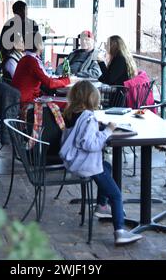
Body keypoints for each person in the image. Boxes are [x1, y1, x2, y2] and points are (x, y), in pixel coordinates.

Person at [60, 80, 142, 245]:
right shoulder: (88, 118)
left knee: (107, 166)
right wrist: (108, 131)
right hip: (86, 164)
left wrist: (97, 128)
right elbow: (90, 144)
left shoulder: (69, 112)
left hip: (74, 161)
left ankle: (101, 206)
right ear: (91, 98)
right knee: (116, 194)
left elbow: (80, 135)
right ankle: (119, 231)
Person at [12, 32, 70, 103]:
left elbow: (46, 78)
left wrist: (62, 79)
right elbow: (49, 83)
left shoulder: (26, 59)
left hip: (22, 100)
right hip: (27, 103)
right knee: (66, 103)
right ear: (38, 45)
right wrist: (67, 80)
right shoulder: (32, 61)